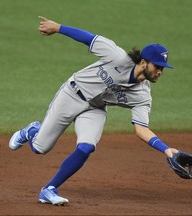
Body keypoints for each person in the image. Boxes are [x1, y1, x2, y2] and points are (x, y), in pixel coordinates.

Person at [9, 16, 179, 205]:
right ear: (144, 62)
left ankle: (49, 189)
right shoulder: (117, 56)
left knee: (86, 147)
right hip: (72, 95)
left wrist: (166, 149)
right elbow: (88, 38)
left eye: (163, 69)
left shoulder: (143, 96)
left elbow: (141, 129)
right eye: (158, 66)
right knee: (40, 148)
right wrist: (57, 27)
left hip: (95, 109)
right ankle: (32, 131)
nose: (160, 72)